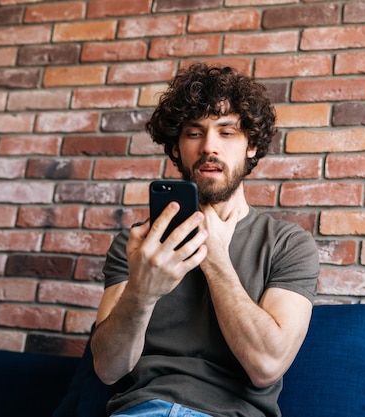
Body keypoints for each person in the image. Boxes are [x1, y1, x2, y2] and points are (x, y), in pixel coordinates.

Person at [90, 63, 320, 417]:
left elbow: (267, 366)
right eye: (194, 133)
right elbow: (108, 369)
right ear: (177, 149)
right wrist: (141, 292)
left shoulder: (288, 244)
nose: (209, 146)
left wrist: (215, 257)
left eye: (226, 132)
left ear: (251, 146)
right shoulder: (138, 244)